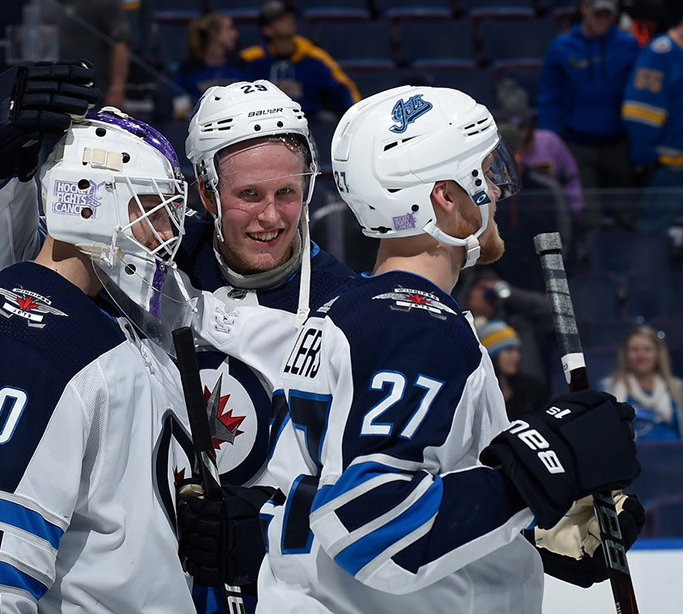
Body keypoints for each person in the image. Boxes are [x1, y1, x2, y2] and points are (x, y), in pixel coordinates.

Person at [0, 68, 356, 612]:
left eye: (288, 193)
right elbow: (11, 291)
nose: (272, 216)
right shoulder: (146, 259)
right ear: (206, 192)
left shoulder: (349, 309)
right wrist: (3, 180)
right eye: (249, 194)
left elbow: (372, 487)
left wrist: (276, 532)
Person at [258, 86, 644, 613]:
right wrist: (530, 477)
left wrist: (529, 521)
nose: (501, 190)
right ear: (445, 195)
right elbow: (372, 525)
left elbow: (379, 488)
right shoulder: (413, 326)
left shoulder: (355, 311)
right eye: (487, 172)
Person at [0, 105, 197, 612]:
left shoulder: (111, 326)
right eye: (149, 208)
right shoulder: (26, 334)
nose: (163, 234)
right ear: (89, 204)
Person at [538, 0, 640, 226]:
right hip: (577, 145)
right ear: (585, 8)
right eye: (598, 13)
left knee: (627, 215)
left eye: (608, 14)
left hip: (619, 144)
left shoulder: (629, 45)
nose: (603, 19)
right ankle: (588, 258)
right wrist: (550, 144)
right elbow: (549, 99)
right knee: (586, 217)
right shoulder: (560, 48)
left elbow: (639, 95)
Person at [240, 1, 359, 122]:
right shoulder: (251, 59)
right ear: (267, 29)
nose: (289, 20)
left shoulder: (315, 56)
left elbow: (344, 88)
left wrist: (357, 117)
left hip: (309, 118)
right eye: (280, 19)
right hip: (265, 119)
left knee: (328, 119)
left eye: (290, 16)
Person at [622, 9, 683, 233]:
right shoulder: (662, 52)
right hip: (670, 169)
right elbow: (640, 112)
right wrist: (646, 154)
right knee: (652, 237)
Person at [459, 267, 555, 384]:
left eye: (490, 290)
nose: (487, 294)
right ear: (469, 293)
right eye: (481, 288)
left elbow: (550, 312)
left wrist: (506, 293)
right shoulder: (457, 325)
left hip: (516, 392)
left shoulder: (514, 327)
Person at [40, 0, 130, 109]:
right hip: (54, 88)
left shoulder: (105, 3)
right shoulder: (46, 3)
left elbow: (120, 45)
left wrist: (117, 88)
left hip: (92, 90)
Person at [602, 324, 683, 440]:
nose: (641, 355)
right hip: (630, 456)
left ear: (658, 354)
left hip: (674, 455)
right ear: (626, 354)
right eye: (635, 349)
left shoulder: (678, 388)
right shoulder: (608, 388)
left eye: (647, 349)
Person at [172, 12, 245, 120]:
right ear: (213, 33)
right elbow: (181, 109)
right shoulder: (188, 69)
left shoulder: (240, 65)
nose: (235, 34)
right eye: (230, 29)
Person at [477, 319, 548, 421]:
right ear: (492, 356)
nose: (516, 356)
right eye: (509, 350)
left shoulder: (532, 390)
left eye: (517, 350)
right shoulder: (480, 398)